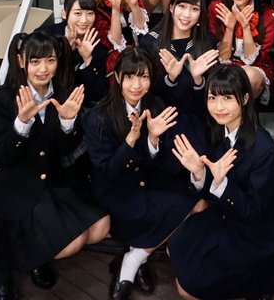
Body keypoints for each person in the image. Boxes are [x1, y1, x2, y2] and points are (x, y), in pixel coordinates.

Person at [84, 48, 204, 300]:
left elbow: (158, 163)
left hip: (148, 183)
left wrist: (152, 140)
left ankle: (134, 259)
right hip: (117, 191)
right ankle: (134, 262)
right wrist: (130, 141)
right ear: (118, 78)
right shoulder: (98, 116)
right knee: (149, 210)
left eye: (144, 77)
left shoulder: (156, 105)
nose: (137, 85)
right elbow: (106, 173)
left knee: (197, 201)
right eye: (130, 77)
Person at [0, 31, 110, 291]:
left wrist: (68, 123)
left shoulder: (64, 92)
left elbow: (64, 150)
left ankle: (36, 250)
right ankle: (24, 260)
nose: (43, 69)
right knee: (74, 242)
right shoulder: (3, 98)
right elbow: (4, 156)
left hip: (55, 180)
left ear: (58, 61)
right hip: (20, 182)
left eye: (50, 60)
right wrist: (21, 124)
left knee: (101, 228)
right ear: (21, 61)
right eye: (35, 61)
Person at [168, 64, 274, 300]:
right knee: (175, 247)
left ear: (245, 99)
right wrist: (200, 173)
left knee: (188, 288)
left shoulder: (264, 148)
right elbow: (214, 185)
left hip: (256, 232)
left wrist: (221, 185)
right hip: (227, 214)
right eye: (212, 98)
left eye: (227, 98)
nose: (219, 107)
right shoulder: (218, 130)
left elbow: (254, 210)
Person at [139, 0, 219, 116]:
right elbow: (146, 93)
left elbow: (213, 97)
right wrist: (170, 79)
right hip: (160, 117)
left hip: (196, 116)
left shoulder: (207, 42)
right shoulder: (151, 42)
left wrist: (198, 80)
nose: (187, 14)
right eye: (182, 6)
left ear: (201, 13)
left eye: (194, 9)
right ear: (171, 8)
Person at [207, 0, 274, 101]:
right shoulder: (217, 8)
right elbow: (222, 57)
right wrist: (230, 28)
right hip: (225, 63)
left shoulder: (269, 15)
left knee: (248, 77)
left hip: (256, 66)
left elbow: (253, 60)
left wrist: (246, 28)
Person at [43, 0, 109, 105]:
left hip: (80, 107)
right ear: (64, 13)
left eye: (90, 13)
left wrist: (87, 60)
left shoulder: (98, 47)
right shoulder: (47, 35)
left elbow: (98, 95)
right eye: (78, 13)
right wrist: (64, 51)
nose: (84, 20)